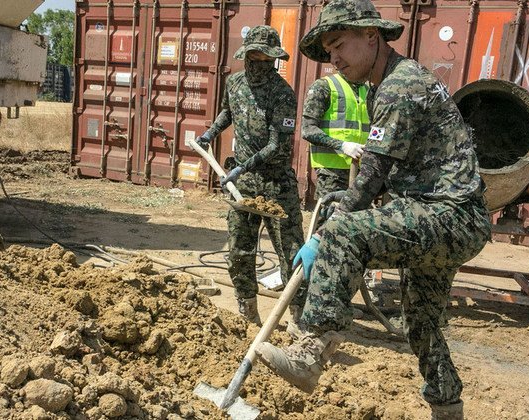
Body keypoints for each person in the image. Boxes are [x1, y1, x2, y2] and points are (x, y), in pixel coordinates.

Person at [254, 1, 491, 419]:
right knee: (422, 321)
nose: (334, 58)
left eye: (339, 44)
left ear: (371, 36)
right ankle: (448, 406)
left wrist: (325, 237)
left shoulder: (400, 85)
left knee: (345, 233)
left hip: (450, 215)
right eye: (328, 51)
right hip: (439, 217)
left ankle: (311, 352)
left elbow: (372, 176)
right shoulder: (386, 84)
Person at [195, 25, 305, 326]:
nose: (259, 66)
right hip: (242, 183)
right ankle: (248, 317)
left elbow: (276, 144)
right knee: (240, 251)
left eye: (265, 60)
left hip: (275, 182)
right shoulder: (235, 84)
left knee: (291, 253)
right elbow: (227, 112)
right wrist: (210, 133)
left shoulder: (283, 94)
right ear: (246, 57)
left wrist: (244, 166)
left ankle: (297, 321)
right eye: (253, 58)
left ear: (274, 60)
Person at [302, 73, 369, 199]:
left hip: (362, 171)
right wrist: (342, 146)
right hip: (332, 172)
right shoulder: (324, 86)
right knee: (330, 216)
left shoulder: (367, 90)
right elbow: (307, 130)